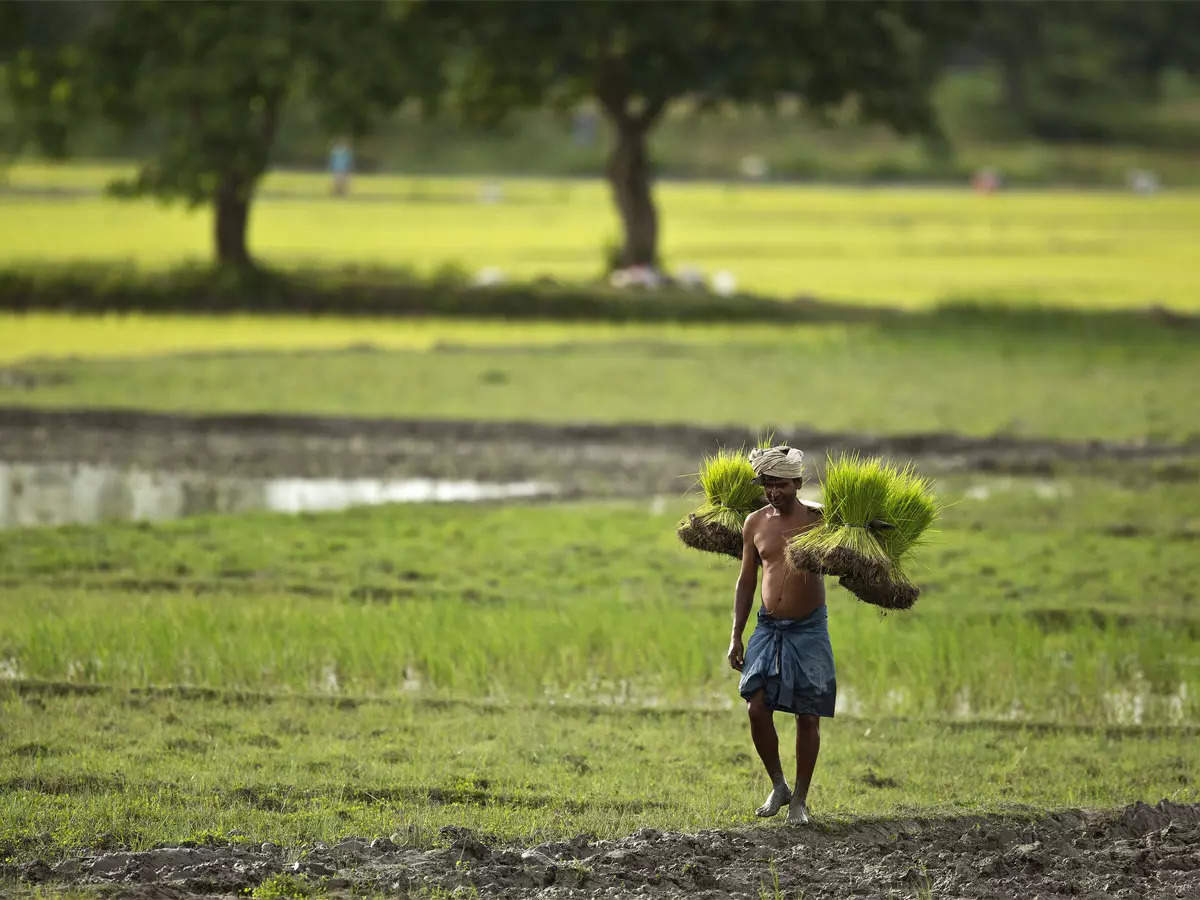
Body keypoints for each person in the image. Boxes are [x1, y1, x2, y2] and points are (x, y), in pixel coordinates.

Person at [727, 445, 835, 825]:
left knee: (808, 714)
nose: (774, 492)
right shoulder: (755, 523)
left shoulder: (821, 520)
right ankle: (779, 785)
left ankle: (799, 801)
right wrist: (736, 634)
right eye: (768, 485)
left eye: (782, 485)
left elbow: (854, 557)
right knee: (756, 707)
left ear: (798, 483)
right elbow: (746, 581)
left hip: (808, 627)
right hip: (768, 626)